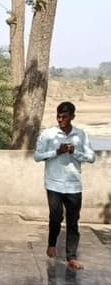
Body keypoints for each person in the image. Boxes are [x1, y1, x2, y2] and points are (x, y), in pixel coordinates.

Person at [34, 101, 95, 270]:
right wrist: (57, 152)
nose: (61, 120)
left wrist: (75, 152)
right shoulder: (48, 134)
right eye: (58, 116)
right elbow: (37, 156)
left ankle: (71, 257)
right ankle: (51, 244)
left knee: (73, 221)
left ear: (72, 117)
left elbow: (92, 157)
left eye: (64, 117)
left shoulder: (81, 135)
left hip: (73, 185)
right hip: (53, 183)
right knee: (56, 217)